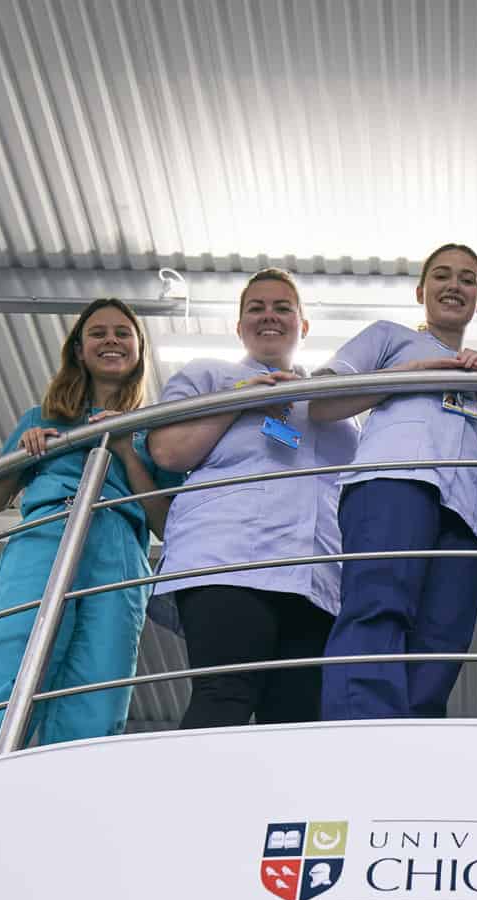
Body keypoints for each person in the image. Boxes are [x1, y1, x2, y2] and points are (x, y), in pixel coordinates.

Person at [143, 268, 360, 728]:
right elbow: (168, 451)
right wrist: (239, 399)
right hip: (228, 560)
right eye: (255, 308)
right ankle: (195, 803)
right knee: (225, 696)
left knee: (298, 720)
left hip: (314, 577)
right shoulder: (208, 375)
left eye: (283, 308)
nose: (269, 316)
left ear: (303, 326)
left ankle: (280, 805)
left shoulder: (332, 408)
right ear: (239, 327)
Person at [0, 298, 176, 760]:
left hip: (119, 544)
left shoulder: (154, 429)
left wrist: (125, 451)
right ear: (79, 350)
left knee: (100, 684)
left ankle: (70, 796)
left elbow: (165, 523)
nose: (111, 341)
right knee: (15, 665)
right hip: (46, 532)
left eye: (123, 333)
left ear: (139, 350)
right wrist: (23, 455)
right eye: (98, 333)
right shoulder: (42, 417)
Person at [312, 243, 477, 719]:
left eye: (467, 279)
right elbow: (321, 400)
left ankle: (413, 742)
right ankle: (359, 731)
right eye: (442, 276)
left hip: (467, 510)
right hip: (393, 480)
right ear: (421, 290)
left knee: (443, 638)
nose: (454, 285)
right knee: (378, 607)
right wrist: (414, 371)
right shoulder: (389, 337)